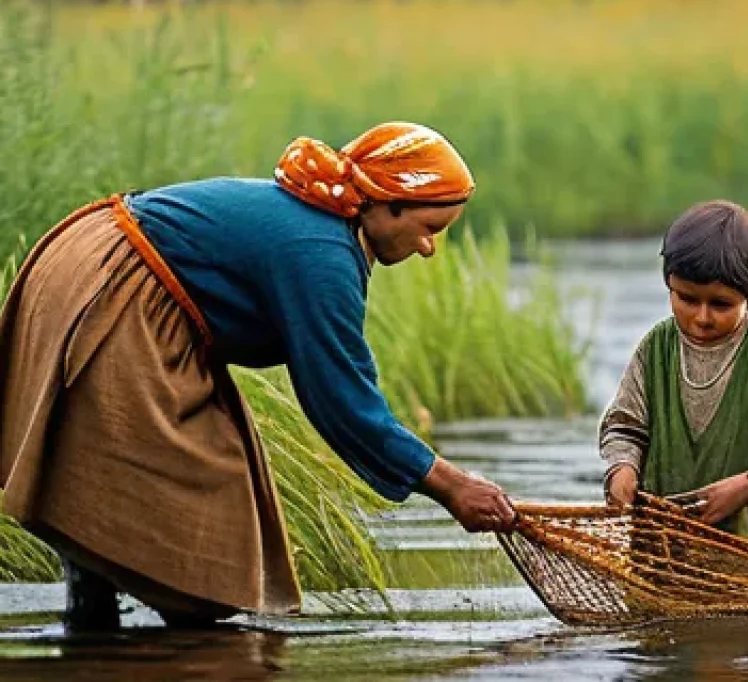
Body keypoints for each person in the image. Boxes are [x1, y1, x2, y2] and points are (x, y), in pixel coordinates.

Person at [0, 123, 516, 630]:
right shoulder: (322, 254)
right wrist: (450, 485)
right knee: (193, 484)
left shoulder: (325, 230)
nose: (428, 248)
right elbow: (341, 399)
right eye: (430, 230)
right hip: (112, 284)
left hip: (101, 264)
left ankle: (95, 632)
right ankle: (139, 648)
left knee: (169, 473)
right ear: (385, 205)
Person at [599, 200, 748, 563]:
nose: (702, 317)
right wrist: (622, 468)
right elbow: (624, 427)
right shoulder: (654, 349)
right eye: (687, 299)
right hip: (666, 560)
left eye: (721, 304)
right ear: (668, 285)